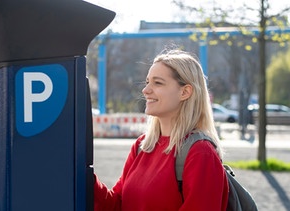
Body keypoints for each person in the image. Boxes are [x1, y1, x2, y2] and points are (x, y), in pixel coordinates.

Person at [94, 49, 229, 210]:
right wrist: (82, 172)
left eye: (157, 83)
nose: (145, 90)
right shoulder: (141, 146)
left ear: (185, 92)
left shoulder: (201, 153)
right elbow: (115, 205)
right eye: (147, 82)